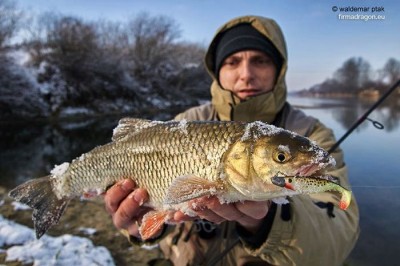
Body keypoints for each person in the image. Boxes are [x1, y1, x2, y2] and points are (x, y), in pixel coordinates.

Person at [104, 15, 360, 265]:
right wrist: (144, 227)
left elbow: (339, 229)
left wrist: (268, 222)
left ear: (279, 69)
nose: (246, 74)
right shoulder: (186, 122)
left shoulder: (311, 134)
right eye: (233, 62)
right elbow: (166, 203)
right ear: (217, 72)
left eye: (260, 61)